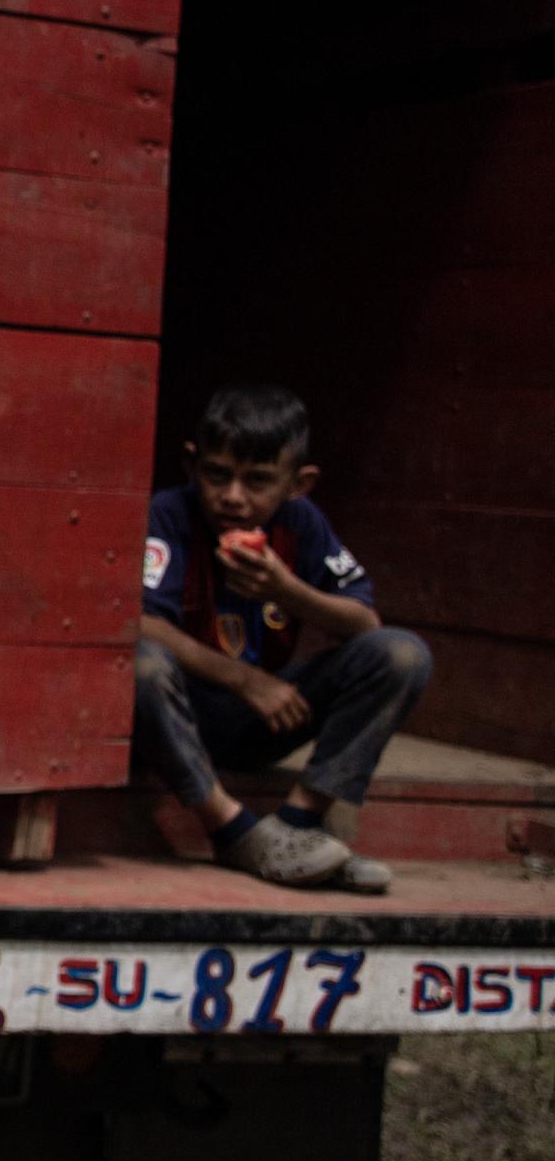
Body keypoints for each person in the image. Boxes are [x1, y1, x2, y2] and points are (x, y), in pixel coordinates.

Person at [135, 383, 432, 894]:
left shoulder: (302, 523)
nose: (232, 496)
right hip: (178, 714)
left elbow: (366, 623)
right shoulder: (168, 513)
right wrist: (246, 680)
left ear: (299, 483)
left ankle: (299, 827)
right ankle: (232, 832)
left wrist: (287, 590)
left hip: (265, 718)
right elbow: (141, 622)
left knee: (402, 655)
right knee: (139, 663)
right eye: (217, 475)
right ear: (191, 465)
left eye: (258, 482)